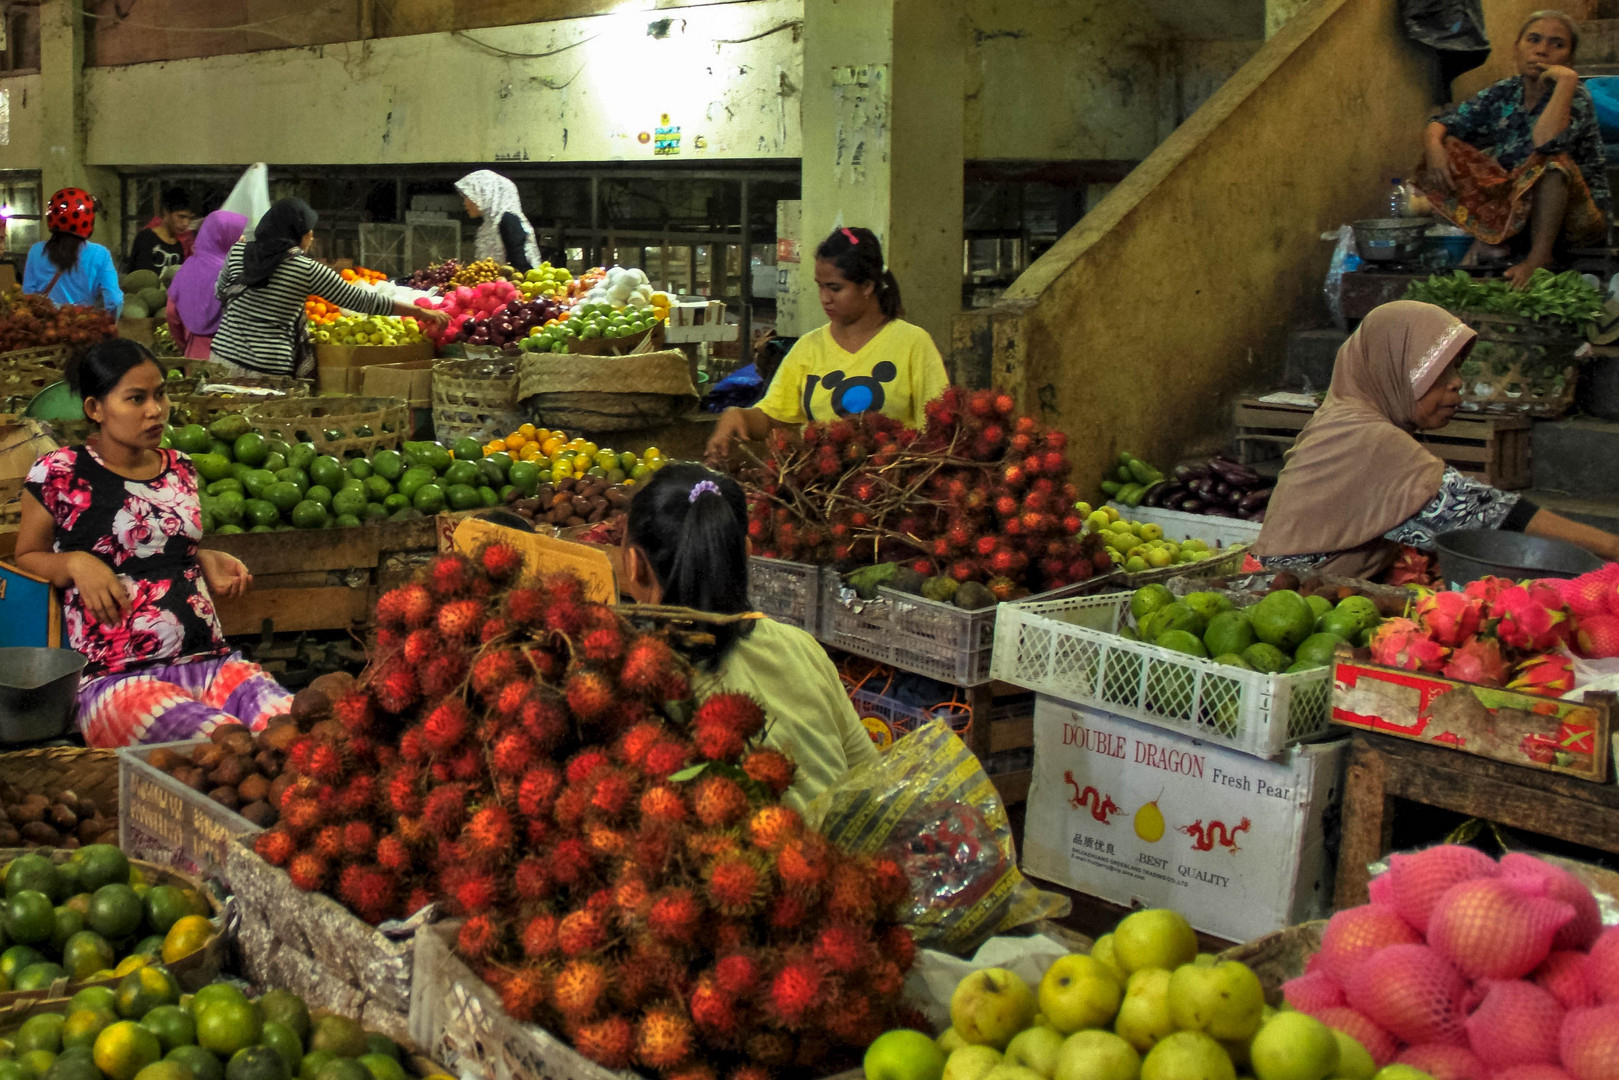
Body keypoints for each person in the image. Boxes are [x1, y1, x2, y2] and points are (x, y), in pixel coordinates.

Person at [12, 340, 293, 747]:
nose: (155, 409)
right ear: (95, 409)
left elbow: (164, 548)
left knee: (291, 728)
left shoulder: (179, 466)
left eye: (160, 393)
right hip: (117, 679)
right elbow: (25, 557)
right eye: (136, 398)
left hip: (210, 661)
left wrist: (204, 556)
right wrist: (75, 563)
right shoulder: (57, 472)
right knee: (223, 744)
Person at [1252, 301, 1619, 579]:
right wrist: (1611, 548)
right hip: (1295, 604)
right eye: (1438, 370)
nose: (1457, 382)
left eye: (1457, 367)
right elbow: (1485, 513)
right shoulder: (1364, 436)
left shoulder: (1349, 417)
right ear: (1391, 368)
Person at [623, 462, 879, 810]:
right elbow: (870, 775)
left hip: (742, 857)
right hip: (840, 855)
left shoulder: (642, 684)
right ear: (746, 552)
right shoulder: (802, 648)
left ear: (633, 565)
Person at [706, 227, 948, 462]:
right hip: (820, 491)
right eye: (820, 286)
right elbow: (774, 417)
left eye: (835, 288)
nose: (825, 298)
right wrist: (738, 415)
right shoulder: (808, 348)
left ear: (867, 286)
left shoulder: (913, 344)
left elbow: (940, 426)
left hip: (896, 488)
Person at [1415, 11, 1610, 289]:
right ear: (1517, 48)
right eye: (1533, 40)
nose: (1542, 50)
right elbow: (1442, 123)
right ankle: (1488, 239)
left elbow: (1546, 143)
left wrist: (1566, 82)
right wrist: (1434, 148)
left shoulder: (1576, 96)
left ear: (1569, 58)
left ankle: (1539, 257)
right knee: (1449, 147)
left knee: (1552, 163)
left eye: (1557, 44)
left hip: (1576, 220)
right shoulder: (1504, 92)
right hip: (1519, 211)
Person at [210, 198, 447, 378]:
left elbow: (219, 292)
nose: (312, 237)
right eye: (309, 232)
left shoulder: (237, 252)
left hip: (221, 359)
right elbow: (362, 301)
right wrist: (420, 312)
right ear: (298, 236)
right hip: (267, 369)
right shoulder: (305, 269)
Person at [22, 188, 122, 315]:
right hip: (82, 328)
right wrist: (108, 326)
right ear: (89, 220)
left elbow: (28, 297)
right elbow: (115, 300)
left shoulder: (36, 251)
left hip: (44, 329)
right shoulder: (100, 254)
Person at [165, 210, 247, 361]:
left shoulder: (187, 267)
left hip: (195, 354)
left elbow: (171, 313)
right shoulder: (238, 271)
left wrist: (185, 346)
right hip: (232, 357)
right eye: (238, 234)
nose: (243, 238)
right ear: (226, 237)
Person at [455, 170, 540, 274]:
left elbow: (519, 265)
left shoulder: (507, 220)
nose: (465, 203)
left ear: (485, 194)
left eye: (469, 196)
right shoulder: (489, 224)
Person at [126, 187, 193, 276]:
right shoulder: (146, 238)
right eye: (181, 217)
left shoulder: (178, 246)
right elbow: (135, 278)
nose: (186, 223)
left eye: (190, 218)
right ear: (166, 211)